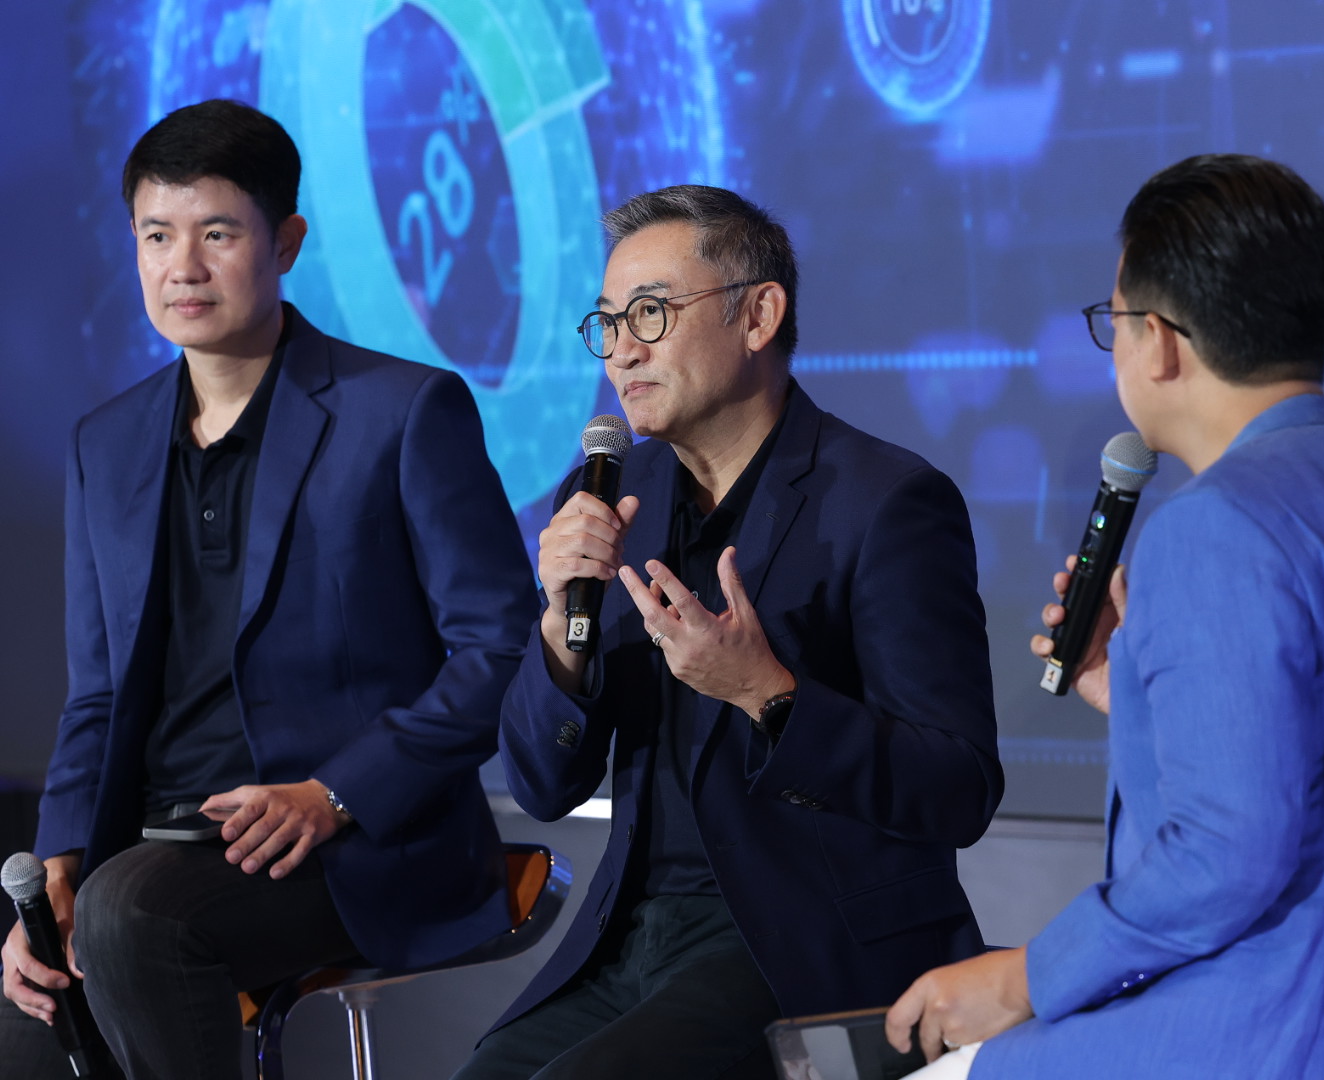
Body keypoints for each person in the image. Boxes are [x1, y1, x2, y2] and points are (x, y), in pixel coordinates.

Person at [885, 154, 1324, 1079]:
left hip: (1276, 1035)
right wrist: (1144, 698)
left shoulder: (1212, 526)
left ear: (1159, 342)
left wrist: (1024, 978)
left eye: (1112, 322)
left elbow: (1226, 854)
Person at [0, 99, 538, 1080]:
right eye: (156, 236)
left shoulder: (402, 412)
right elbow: (97, 695)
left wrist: (335, 793)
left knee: (133, 916)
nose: (183, 267)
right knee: (31, 1014)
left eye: (217, 234)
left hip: (350, 846)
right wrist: (63, 864)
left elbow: (500, 650)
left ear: (285, 242)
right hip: (149, 846)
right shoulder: (104, 444)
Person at [453, 184, 1003, 1080]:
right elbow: (545, 785)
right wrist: (559, 630)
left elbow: (958, 790)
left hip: (802, 945)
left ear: (758, 315)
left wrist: (768, 695)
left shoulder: (886, 503)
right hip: (629, 937)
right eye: (607, 323)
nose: (622, 350)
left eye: (650, 313)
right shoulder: (605, 496)